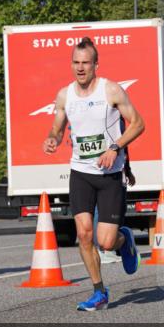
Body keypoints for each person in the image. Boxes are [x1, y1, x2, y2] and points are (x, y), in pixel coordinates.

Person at [42, 37, 145, 311]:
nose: (80, 68)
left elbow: (138, 124)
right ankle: (99, 291)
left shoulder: (111, 90)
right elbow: (57, 127)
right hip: (81, 172)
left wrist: (115, 147)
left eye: (85, 63)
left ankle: (124, 239)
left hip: (110, 174)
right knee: (85, 235)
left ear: (96, 64)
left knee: (106, 242)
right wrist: (52, 138)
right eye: (76, 62)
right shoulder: (65, 95)